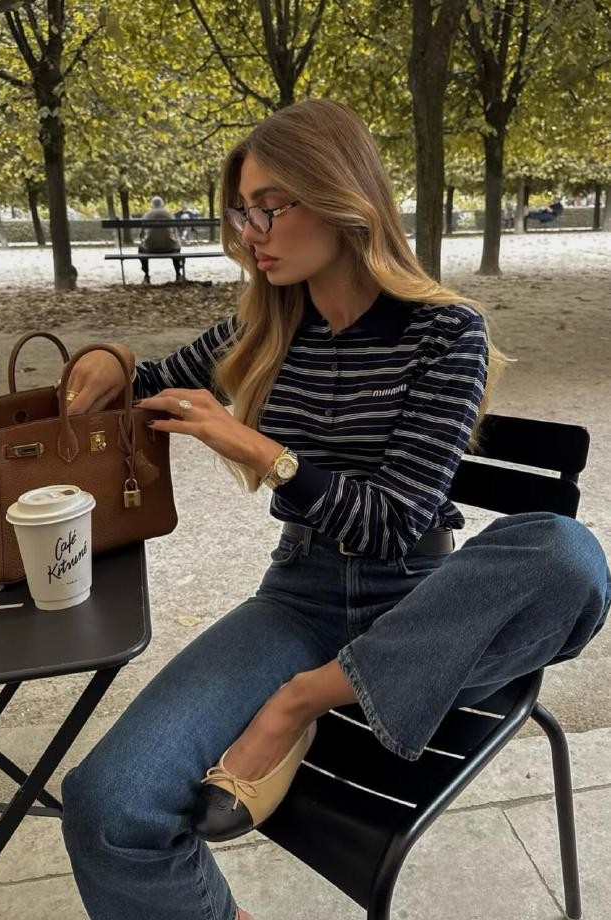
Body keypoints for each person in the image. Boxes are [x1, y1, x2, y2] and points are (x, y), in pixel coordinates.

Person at [59, 99, 610, 920]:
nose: (253, 233)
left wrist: (260, 451)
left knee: (567, 555)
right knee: (105, 805)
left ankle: (306, 702)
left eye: (272, 207)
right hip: (301, 596)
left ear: (342, 196)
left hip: (423, 604)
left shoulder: (446, 333)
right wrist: (109, 356)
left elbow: (393, 524)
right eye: (242, 213)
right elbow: (144, 387)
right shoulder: (265, 325)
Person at [138, 195, 186, 282]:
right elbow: (175, 232)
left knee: (140, 249)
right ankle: (178, 274)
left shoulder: (147, 215)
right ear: (162, 204)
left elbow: (141, 234)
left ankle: (146, 275)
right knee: (176, 246)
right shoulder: (169, 214)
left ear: (152, 205)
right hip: (169, 248)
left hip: (150, 248)